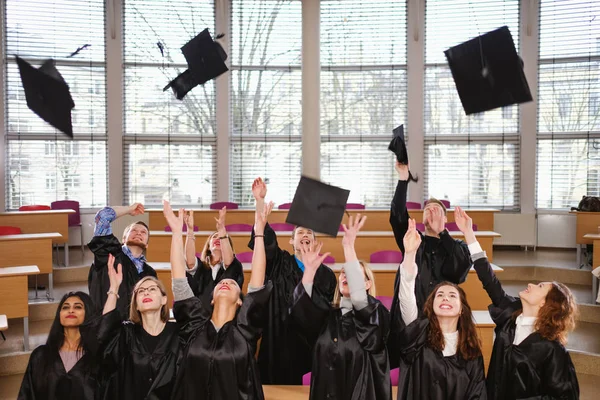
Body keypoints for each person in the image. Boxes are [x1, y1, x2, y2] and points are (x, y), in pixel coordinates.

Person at [455, 206, 580, 400]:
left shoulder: (552, 349)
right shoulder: (510, 315)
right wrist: (469, 234)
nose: (531, 284)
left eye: (540, 287)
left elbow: (564, 396)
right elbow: (489, 280)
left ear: (546, 304)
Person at [166, 199, 273, 399]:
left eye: (233, 284)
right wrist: (176, 232)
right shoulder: (194, 326)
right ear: (212, 299)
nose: (226, 283)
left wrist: (259, 233)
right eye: (222, 284)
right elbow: (179, 279)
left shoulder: (245, 329)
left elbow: (257, 282)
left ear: (241, 301)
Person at [291, 214, 392, 400]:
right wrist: (309, 274)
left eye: (352, 273)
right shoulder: (328, 316)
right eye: (343, 273)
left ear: (367, 284)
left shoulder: (376, 313)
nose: (345, 276)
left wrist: (348, 247)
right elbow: (302, 313)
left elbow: (361, 302)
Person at [248, 177, 337, 384]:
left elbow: (326, 314)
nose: (305, 235)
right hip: (278, 344)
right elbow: (264, 239)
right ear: (291, 241)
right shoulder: (279, 262)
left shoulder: (326, 275)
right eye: (300, 232)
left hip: (311, 347)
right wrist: (260, 201)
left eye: (309, 233)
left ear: (315, 242)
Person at [388, 162, 471, 365]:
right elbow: (397, 214)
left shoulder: (457, 246)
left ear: (445, 218)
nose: (431, 211)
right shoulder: (413, 240)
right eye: (427, 209)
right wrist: (402, 178)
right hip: (409, 320)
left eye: (436, 210)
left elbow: (459, 272)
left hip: (442, 321)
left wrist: (443, 234)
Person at [394, 219, 486, 399]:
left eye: (452, 295)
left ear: (462, 309)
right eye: (440, 295)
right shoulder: (417, 334)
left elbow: (477, 394)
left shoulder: (471, 350)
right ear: (431, 305)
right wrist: (410, 254)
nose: (445, 297)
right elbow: (406, 296)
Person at [96, 254, 179, 400]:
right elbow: (105, 333)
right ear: (136, 305)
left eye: (152, 289)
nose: (146, 292)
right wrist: (114, 289)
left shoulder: (178, 334)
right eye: (140, 291)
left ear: (164, 299)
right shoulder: (127, 334)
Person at [18, 292, 99, 400]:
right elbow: (26, 395)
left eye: (78, 307)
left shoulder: (97, 357)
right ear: (59, 315)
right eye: (65, 307)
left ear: (88, 313)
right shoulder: (41, 355)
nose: (71, 310)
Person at [88, 203, 156, 318]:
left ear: (147, 244)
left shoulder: (150, 272)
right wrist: (129, 209)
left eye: (143, 232)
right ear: (123, 238)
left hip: (134, 330)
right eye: (134, 230)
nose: (139, 233)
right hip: (105, 324)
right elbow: (103, 217)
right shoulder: (110, 253)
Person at [183, 207, 244, 305]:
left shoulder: (234, 265)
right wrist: (190, 231)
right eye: (214, 237)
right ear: (208, 247)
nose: (218, 238)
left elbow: (229, 261)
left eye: (221, 238)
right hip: (200, 314)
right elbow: (189, 261)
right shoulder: (201, 266)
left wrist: (222, 231)